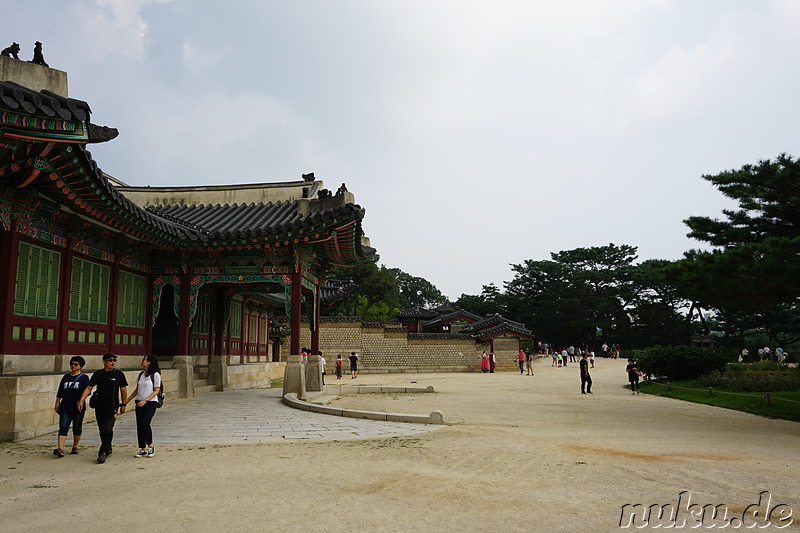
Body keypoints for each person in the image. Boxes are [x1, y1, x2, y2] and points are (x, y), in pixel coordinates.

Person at [78, 352, 128, 464]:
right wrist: (81, 400)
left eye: (114, 360)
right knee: (102, 430)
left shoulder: (118, 374)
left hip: (113, 406)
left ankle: (103, 452)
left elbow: (123, 389)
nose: (113, 362)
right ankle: (108, 447)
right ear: (104, 361)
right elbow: (89, 387)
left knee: (107, 428)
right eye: (110, 360)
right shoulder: (98, 374)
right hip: (99, 406)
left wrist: (123, 404)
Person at [125, 354, 161, 458]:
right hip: (139, 401)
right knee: (139, 425)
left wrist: (146, 400)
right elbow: (137, 389)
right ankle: (142, 448)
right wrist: (127, 400)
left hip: (150, 402)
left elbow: (156, 391)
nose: (142, 361)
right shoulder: (141, 374)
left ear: (149, 362)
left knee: (145, 423)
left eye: (144, 360)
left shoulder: (155, 375)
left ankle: (150, 445)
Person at [53, 356, 89, 457]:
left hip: (78, 407)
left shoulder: (84, 378)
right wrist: (57, 403)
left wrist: (81, 401)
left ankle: (75, 446)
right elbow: (60, 392)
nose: (73, 366)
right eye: (72, 364)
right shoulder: (66, 377)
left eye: (76, 364)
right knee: (63, 427)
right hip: (65, 406)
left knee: (77, 428)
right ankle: (60, 448)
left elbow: (87, 391)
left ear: (80, 366)